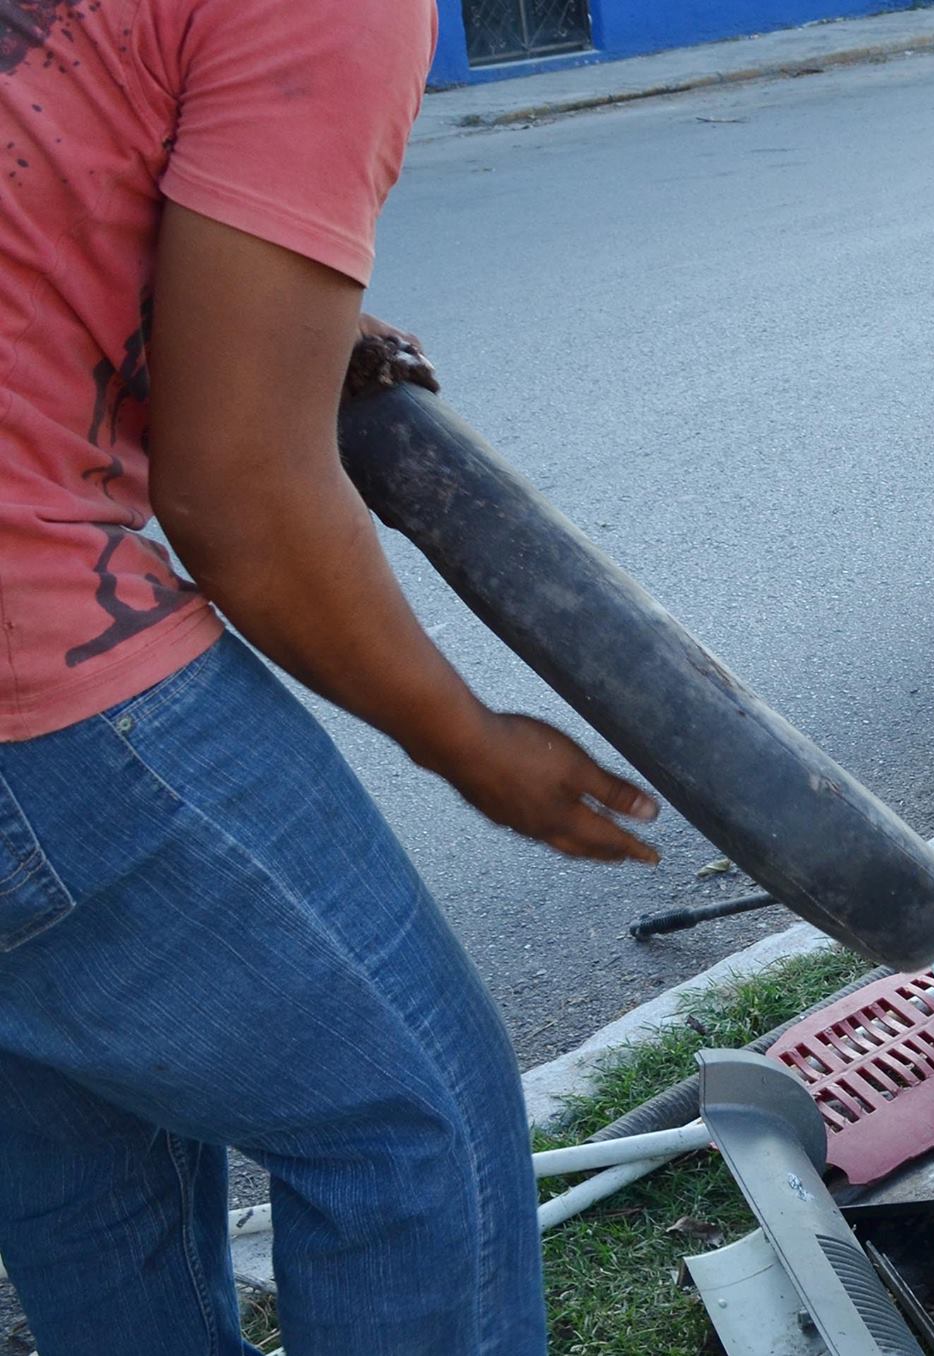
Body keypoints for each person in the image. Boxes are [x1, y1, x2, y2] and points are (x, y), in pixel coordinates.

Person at [0, 0, 660, 1351]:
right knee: (413, 1129)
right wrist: (466, 742)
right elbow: (242, 495)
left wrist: (254, 316)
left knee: (89, 1158)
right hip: (38, 688)